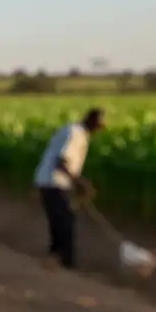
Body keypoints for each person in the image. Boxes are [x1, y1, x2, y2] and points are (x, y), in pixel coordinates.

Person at [32, 108, 105, 269]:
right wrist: (81, 183)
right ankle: (65, 260)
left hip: (49, 181)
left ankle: (56, 254)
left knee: (58, 219)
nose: (99, 130)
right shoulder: (76, 134)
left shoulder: (72, 130)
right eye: (99, 125)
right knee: (65, 220)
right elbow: (62, 163)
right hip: (54, 181)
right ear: (91, 121)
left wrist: (76, 182)